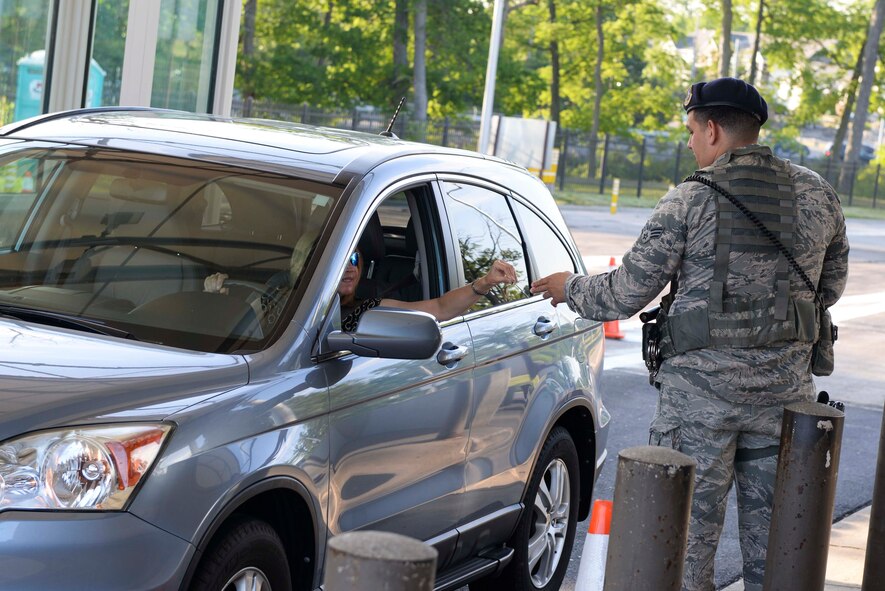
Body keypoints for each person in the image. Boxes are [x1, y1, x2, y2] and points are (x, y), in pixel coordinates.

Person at [530, 77, 849, 591]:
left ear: (715, 129)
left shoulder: (689, 200)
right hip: (782, 400)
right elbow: (828, 289)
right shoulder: (818, 194)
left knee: (683, 549)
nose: (690, 143)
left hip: (698, 403)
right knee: (778, 551)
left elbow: (626, 293)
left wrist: (570, 287)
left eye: (692, 131)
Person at [338, 249, 517, 332]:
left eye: (353, 259)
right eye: (342, 260)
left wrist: (485, 282)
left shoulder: (366, 309)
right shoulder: (310, 313)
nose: (349, 268)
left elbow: (441, 308)